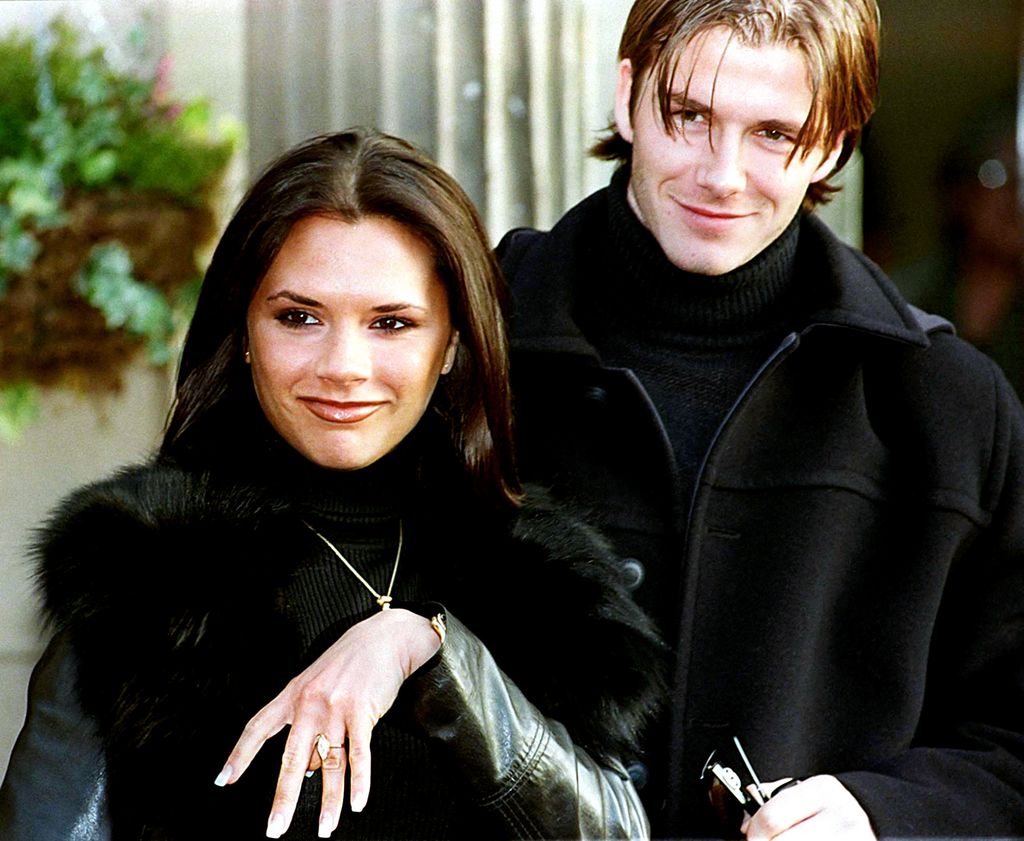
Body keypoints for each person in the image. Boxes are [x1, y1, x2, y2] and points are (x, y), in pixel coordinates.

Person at [0, 129, 664, 840]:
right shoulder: (152, 565)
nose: (343, 364)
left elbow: (616, 829)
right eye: (299, 316)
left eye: (390, 323)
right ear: (246, 331)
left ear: (452, 346)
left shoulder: (539, 577)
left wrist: (436, 657)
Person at [497, 1, 1024, 839]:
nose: (722, 173)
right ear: (626, 96)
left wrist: (882, 814)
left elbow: (1012, 741)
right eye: (690, 116)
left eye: (773, 133)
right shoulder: (464, 339)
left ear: (835, 142)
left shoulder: (951, 409)